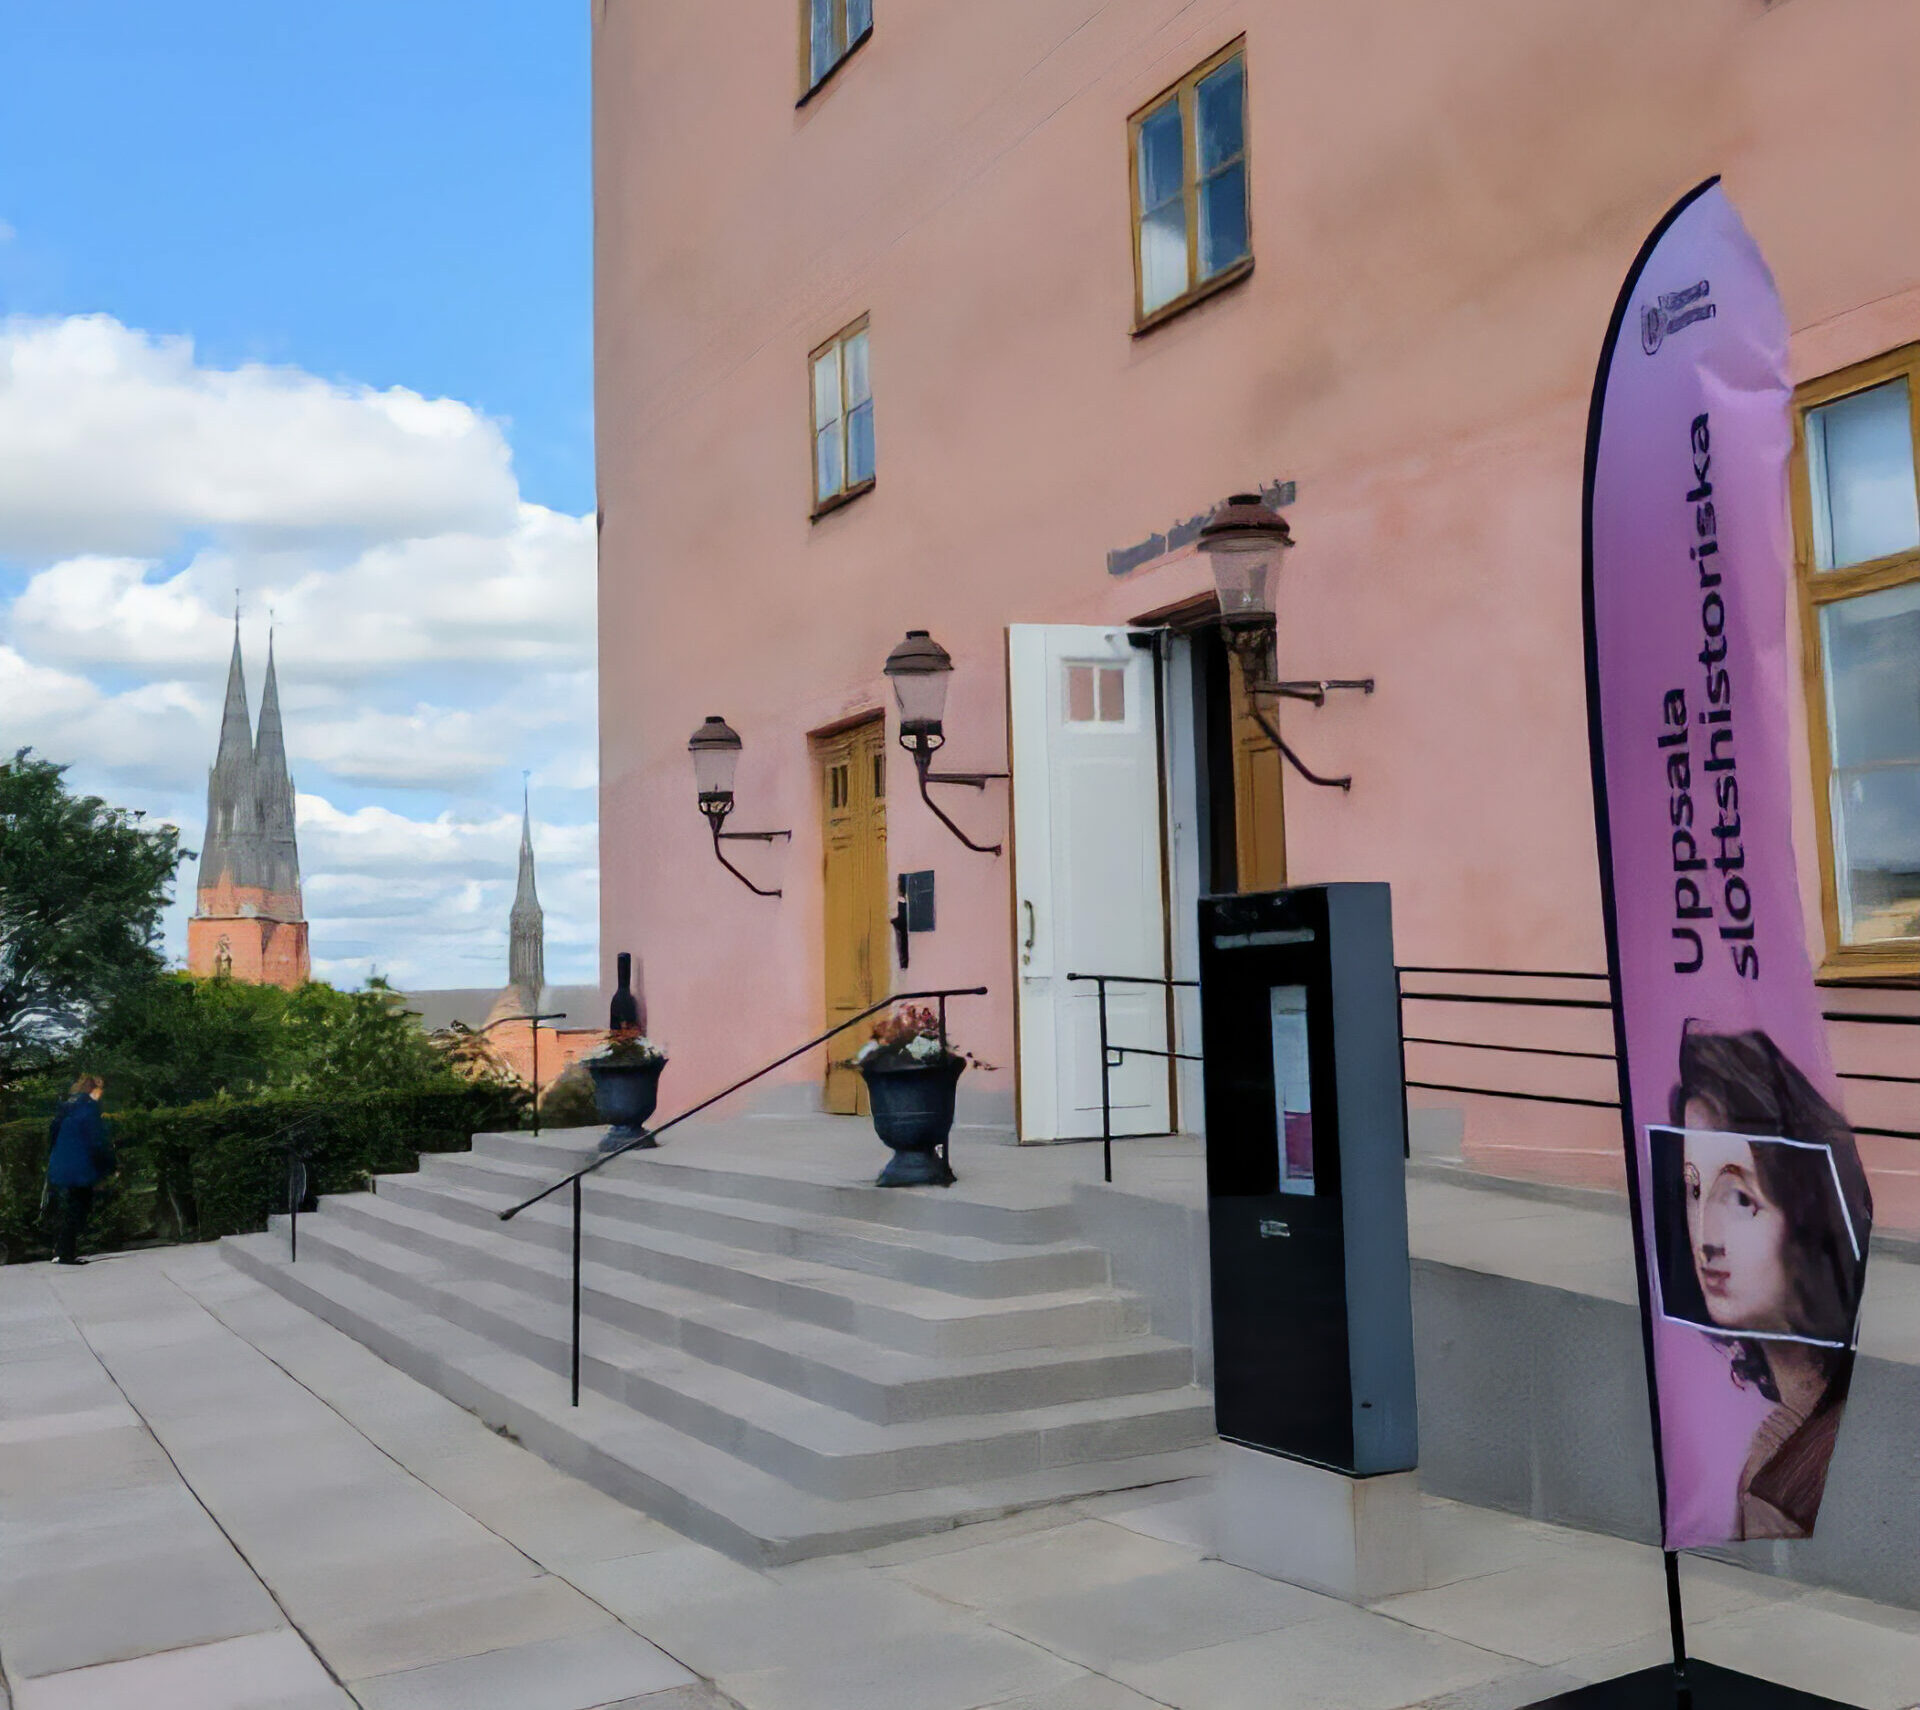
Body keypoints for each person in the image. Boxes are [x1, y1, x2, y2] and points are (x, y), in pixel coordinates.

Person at [1668, 1024, 1872, 1539]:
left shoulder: (1790, 1484)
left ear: (1806, 1211)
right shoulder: (1775, 1447)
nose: (1705, 1238)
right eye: (1694, 1189)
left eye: (1740, 1199)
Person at [45, 1075, 114, 1267]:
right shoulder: (89, 1108)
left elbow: (52, 1135)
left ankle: (60, 1250)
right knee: (78, 1208)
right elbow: (97, 1141)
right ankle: (66, 1253)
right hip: (81, 1167)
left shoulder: (65, 1108)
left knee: (68, 1207)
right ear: (94, 1090)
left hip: (62, 1164)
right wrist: (109, 1166)